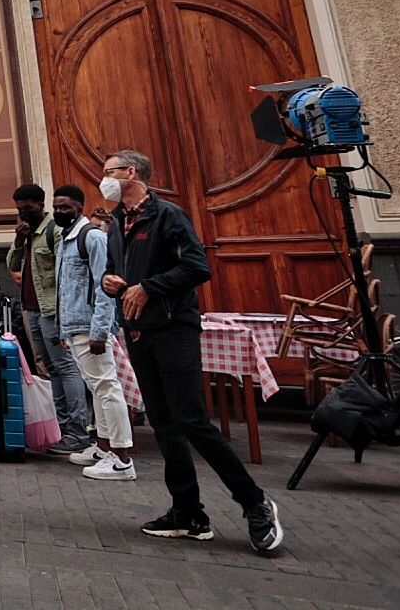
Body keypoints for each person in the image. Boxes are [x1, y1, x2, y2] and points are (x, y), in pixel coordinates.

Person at [101, 151, 284, 552]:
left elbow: (197, 267)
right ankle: (188, 512)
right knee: (163, 424)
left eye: (110, 172)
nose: (105, 179)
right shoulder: (117, 222)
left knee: (192, 421)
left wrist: (149, 287)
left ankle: (254, 502)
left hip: (173, 329)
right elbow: (122, 275)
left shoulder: (167, 216)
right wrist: (111, 283)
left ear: (131, 174)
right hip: (138, 333)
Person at [53, 185, 136, 480]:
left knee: (107, 388)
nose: (59, 212)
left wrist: (101, 330)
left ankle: (122, 458)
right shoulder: (67, 239)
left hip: (91, 327)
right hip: (75, 325)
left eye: (65, 207)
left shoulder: (93, 237)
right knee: (96, 389)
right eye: (57, 207)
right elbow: (67, 288)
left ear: (78, 207)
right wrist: (63, 328)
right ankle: (102, 447)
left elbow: (105, 286)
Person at [7, 183, 93, 453]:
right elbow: (11, 263)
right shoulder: (28, 233)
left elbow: (64, 272)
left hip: (52, 311)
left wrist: (63, 313)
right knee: (49, 369)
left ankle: (78, 430)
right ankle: (62, 426)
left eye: (28, 208)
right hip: (31, 309)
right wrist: (19, 241)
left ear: (40, 205)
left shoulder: (54, 230)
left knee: (65, 366)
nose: (24, 212)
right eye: (20, 209)